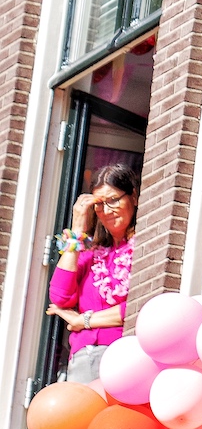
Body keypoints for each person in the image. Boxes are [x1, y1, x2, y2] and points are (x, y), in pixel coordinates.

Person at [47, 164, 139, 383]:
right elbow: (60, 297)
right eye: (99, 205)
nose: (106, 211)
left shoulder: (143, 249)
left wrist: (85, 320)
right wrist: (77, 232)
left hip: (126, 355)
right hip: (83, 357)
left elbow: (139, 305)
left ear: (133, 197)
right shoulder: (90, 254)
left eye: (114, 200)